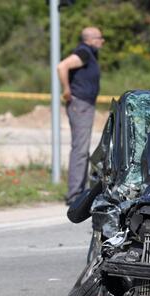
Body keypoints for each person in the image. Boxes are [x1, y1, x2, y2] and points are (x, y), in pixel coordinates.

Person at [57, 26, 104, 205]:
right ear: (91, 39)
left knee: (82, 149)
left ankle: (78, 191)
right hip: (81, 104)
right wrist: (67, 90)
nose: (102, 41)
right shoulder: (84, 52)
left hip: (84, 104)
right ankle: (75, 195)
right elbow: (62, 66)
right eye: (100, 38)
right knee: (80, 150)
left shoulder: (89, 53)